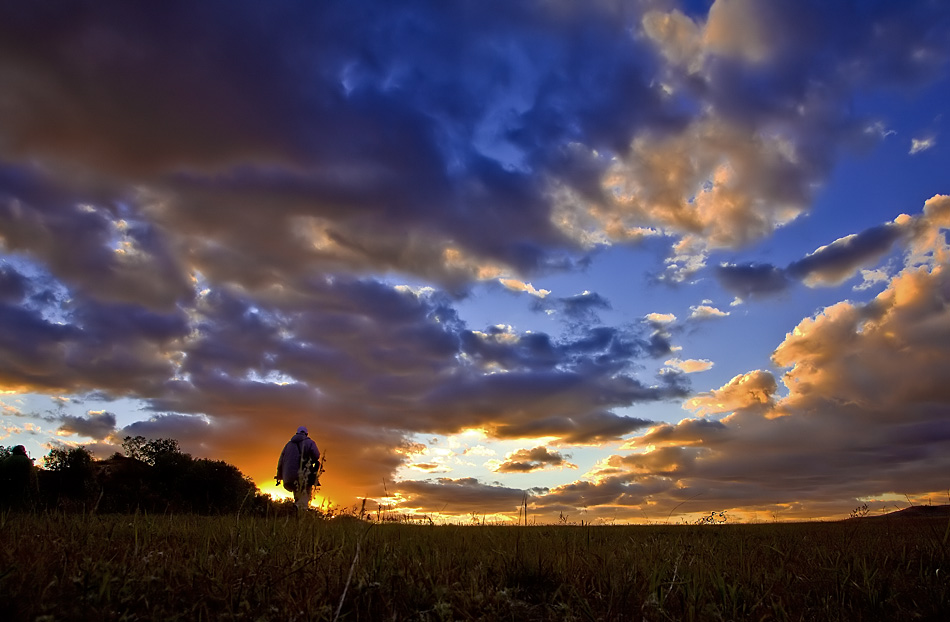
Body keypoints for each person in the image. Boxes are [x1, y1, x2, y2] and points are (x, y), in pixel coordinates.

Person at [276, 426, 320, 510]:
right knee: (304, 497)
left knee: (297, 496)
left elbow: (280, 462)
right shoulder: (309, 442)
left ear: (297, 433)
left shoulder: (288, 445)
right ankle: (298, 511)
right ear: (306, 434)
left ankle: (295, 514)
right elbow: (316, 456)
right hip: (303, 476)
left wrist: (279, 476)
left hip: (288, 477)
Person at [0, 445, 39, 511]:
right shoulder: (27, 461)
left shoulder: (6, 460)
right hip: (23, 488)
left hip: (7, 488)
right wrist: (36, 491)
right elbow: (32, 477)